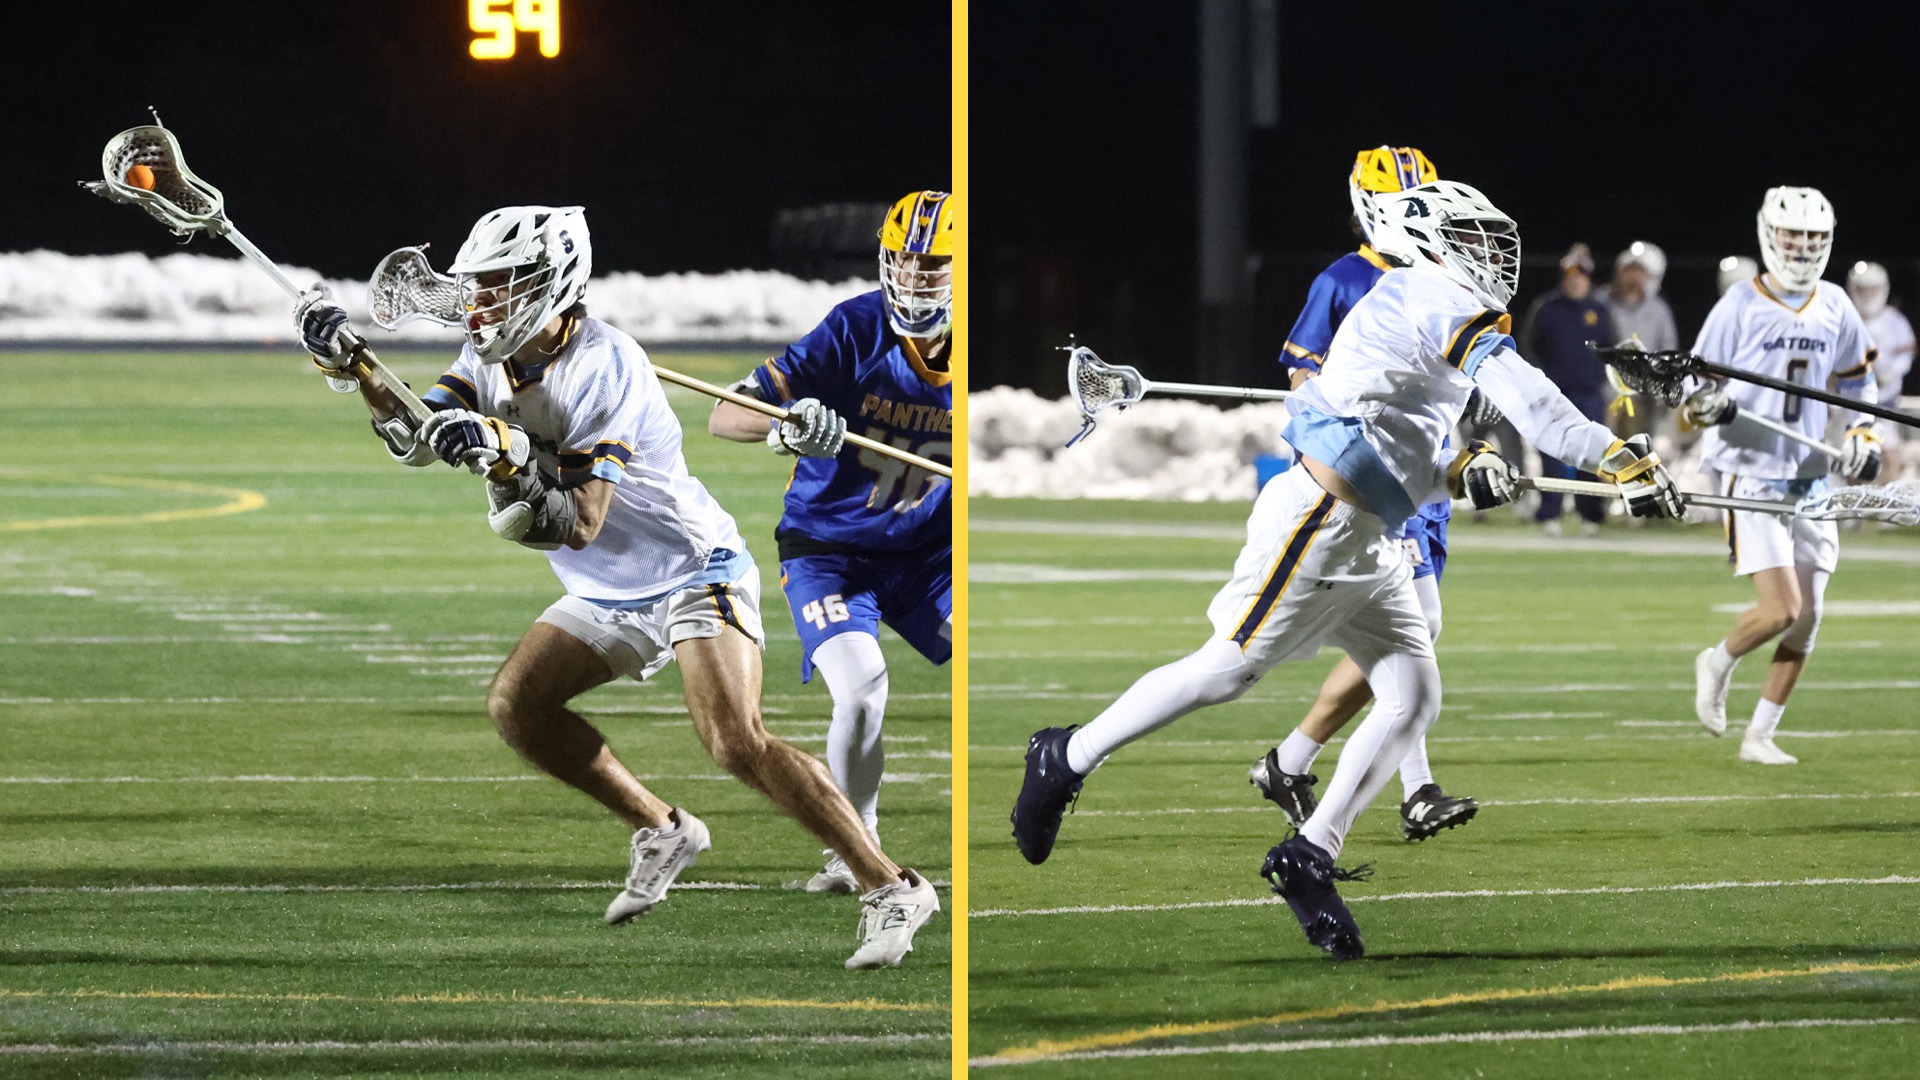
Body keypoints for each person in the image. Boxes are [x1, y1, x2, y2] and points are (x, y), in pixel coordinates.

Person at [1011, 180, 1685, 960]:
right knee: (1227, 671)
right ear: (1430, 238)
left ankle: (1309, 854)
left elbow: (1399, 443)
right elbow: (1529, 400)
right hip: (1320, 523)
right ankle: (1067, 753)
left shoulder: (1423, 301)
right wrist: (1613, 454)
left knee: (1412, 696)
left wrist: (1460, 471)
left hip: (1373, 537)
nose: (1494, 251)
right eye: (1475, 235)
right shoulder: (1429, 289)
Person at [294, 205, 937, 968]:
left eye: (501, 286)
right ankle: (663, 828)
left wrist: (502, 452)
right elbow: (415, 436)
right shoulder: (488, 357)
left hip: (690, 568)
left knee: (734, 741)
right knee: (518, 705)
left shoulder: (608, 366)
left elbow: (577, 520)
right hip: (609, 589)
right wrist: (356, 367)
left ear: (552, 286)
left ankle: (891, 885)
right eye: (481, 286)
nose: (480, 304)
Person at [708, 191, 955, 893]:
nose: (912, 278)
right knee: (862, 689)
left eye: (932, 265)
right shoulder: (854, 327)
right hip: (830, 551)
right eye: (902, 261)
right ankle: (860, 845)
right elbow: (727, 415)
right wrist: (783, 427)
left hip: (931, 557)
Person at [1251, 146, 1479, 842]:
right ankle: (1416, 789)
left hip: (1431, 483)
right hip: (1380, 482)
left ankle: (1290, 760)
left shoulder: (1450, 280)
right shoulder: (1345, 279)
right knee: (1420, 627)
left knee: (1416, 633)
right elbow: (1302, 384)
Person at [1689, 187, 1880, 765]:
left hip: (1810, 474)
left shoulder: (1835, 303)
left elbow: (1858, 380)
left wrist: (1862, 432)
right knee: (1781, 610)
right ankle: (1717, 660)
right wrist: (1706, 407)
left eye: (1813, 238)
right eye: (1793, 235)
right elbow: (1693, 390)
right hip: (1750, 475)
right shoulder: (1739, 306)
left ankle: (1760, 734)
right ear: (1770, 234)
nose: (1801, 247)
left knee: (1810, 616)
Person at [1519, 243, 1617, 534]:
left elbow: (1613, 350)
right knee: (1552, 456)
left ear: (1588, 278)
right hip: (1553, 397)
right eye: (1570, 275)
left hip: (1589, 396)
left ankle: (1591, 515)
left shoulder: (1600, 310)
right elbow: (1528, 346)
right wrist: (1537, 380)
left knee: (1592, 455)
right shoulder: (1546, 308)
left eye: (1580, 275)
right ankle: (1550, 513)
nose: (1575, 280)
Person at [1598, 242, 1681, 443]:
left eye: (1639, 271)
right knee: (1601, 454)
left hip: (1641, 397)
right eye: (1628, 269)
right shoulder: (1601, 302)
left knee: (1634, 454)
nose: (1632, 276)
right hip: (1603, 394)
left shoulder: (1658, 310)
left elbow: (1668, 350)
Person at [1847, 261, 1913, 483]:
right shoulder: (1846, 318)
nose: (1868, 295)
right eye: (1863, 289)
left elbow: (1907, 354)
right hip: (1851, 400)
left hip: (1885, 401)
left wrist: (1889, 374)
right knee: (1852, 453)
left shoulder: (1894, 320)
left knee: (1889, 452)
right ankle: (1852, 510)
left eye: (1872, 289)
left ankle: (1887, 506)